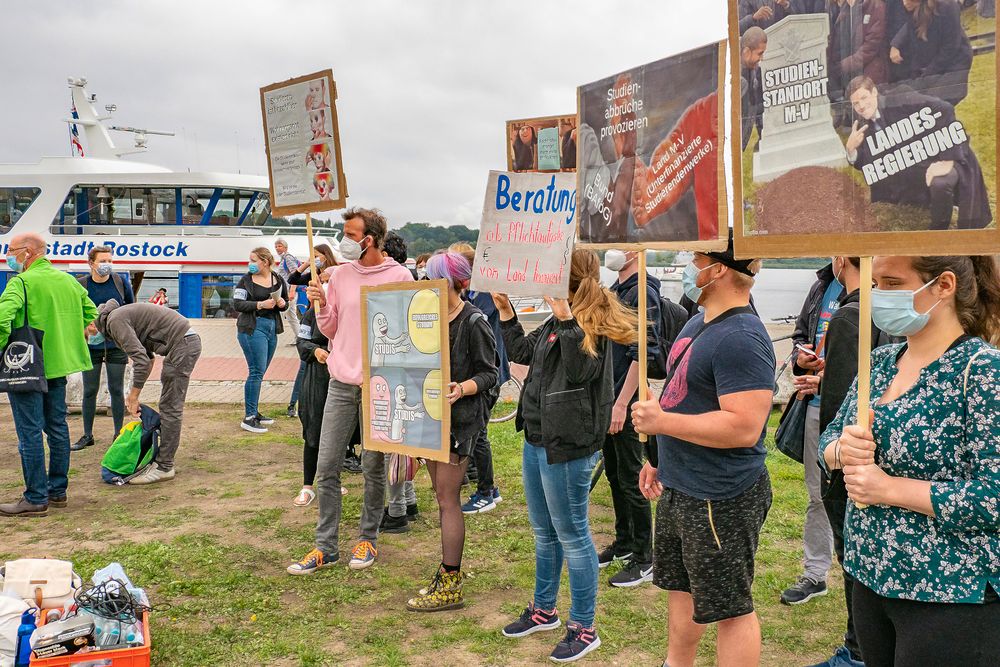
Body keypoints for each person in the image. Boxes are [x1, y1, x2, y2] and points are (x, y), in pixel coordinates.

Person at [819, 255, 1000, 666]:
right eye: (875, 284)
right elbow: (829, 438)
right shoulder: (880, 364)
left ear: (944, 285)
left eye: (891, 283)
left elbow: (994, 496)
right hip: (870, 576)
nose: (878, 296)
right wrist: (842, 450)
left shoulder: (983, 371)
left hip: (948, 592)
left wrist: (889, 488)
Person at [630, 234, 775, 667]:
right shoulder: (699, 321)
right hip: (681, 485)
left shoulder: (742, 337)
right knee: (681, 587)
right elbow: (683, 398)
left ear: (720, 269)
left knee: (730, 606)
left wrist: (661, 424)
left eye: (695, 259)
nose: (688, 265)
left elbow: (744, 426)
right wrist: (658, 458)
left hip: (721, 495)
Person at [497, 249, 638, 663]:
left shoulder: (593, 320)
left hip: (569, 445)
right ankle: (544, 610)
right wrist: (506, 314)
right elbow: (523, 353)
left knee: (573, 534)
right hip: (538, 437)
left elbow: (581, 371)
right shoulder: (558, 320)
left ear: (564, 279)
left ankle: (584, 627)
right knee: (544, 532)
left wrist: (564, 318)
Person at [287, 207, 413, 575]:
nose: (344, 239)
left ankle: (367, 539)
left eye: (350, 233)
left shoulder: (399, 276)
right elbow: (330, 328)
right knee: (327, 465)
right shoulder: (340, 275)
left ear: (369, 239)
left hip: (380, 387)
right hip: (341, 383)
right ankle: (325, 546)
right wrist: (321, 303)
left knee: (374, 468)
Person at [801, 257, 891, 667]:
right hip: (871, 454)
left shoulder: (850, 315)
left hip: (849, 461)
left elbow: (842, 401)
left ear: (841, 260)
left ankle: (857, 652)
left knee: (853, 559)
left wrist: (832, 465)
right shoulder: (879, 310)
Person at [405, 252, 498, 612]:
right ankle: (447, 576)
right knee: (442, 498)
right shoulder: (424, 315)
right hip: (429, 418)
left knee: (447, 500)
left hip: (459, 423)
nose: (427, 283)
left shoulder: (474, 321)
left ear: (454, 282)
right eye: (426, 276)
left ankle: (450, 581)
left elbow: (491, 374)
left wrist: (461, 388)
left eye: (434, 277)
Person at [0, 233, 97, 517]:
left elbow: (2, 319)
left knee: (29, 432)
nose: (8, 256)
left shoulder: (20, 283)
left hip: (27, 368)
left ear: (27, 253)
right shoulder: (68, 280)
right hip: (59, 367)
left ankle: (35, 497)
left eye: (11, 250)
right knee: (57, 427)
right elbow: (91, 314)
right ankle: (57, 492)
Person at [845, 75, 993, 230]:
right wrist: (851, 149)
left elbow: (944, 108)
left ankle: (939, 228)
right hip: (918, 167)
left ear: (874, 92)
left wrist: (947, 161)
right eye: (855, 103)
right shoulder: (862, 122)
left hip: (946, 156)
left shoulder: (899, 97)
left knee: (940, 182)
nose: (861, 106)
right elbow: (867, 162)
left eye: (864, 97)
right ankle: (932, 201)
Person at [597, 249, 663, 588]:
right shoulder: (617, 289)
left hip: (626, 401)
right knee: (614, 473)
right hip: (611, 399)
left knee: (631, 477)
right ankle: (624, 542)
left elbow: (643, 353)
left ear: (636, 251)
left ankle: (644, 555)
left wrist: (622, 403)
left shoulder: (643, 292)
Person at [779, 262, 843, 606]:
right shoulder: (822, 284)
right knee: (818, 494)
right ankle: (816, 573)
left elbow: (883, 353)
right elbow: (801, 335)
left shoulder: (877, 285)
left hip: (858, 410)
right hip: (816, 406)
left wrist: (830, 375)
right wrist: (802, 358)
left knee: (859, 496)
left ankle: (857, 572)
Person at [91, 300, 201, 484]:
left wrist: (133, 396)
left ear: (93, 323)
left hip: (182, 345)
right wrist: (137, 393)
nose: (90, 337)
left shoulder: (115, 321)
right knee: (168, 405)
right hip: (185, 342)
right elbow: (148, 359)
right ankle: (163, 461)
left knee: (170, 407)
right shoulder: (119, 317)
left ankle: (164, 466)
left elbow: (141, 361)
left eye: (88, 332)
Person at [447, 243, 508, 516]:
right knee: (477, 433)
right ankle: (480, 482)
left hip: (487, 373)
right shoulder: (475, 293)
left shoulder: (483, 298)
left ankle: (487, 490)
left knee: (479, 432)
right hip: (477, 373)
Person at [631, 91, 721, 240]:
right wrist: (649, 191)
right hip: (714, 254)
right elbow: (674, 161)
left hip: (748, 250)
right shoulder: (701, 113)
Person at [72, 245, 136, 452]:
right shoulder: (80, 285)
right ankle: (87, 435)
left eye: (109, 260)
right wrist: (84, 329)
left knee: (116, 390)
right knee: (89, 390)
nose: (106, 265)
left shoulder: (120, 282)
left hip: (116, 345)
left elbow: (130, 310)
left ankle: (118, 434)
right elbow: (73, 313)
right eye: (102, 261)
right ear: (91, 263)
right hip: (90, 346)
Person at [234, 247, 289, 434]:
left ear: (265, 262)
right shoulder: (245, 281)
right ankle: (249, 418)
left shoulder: (278, 279)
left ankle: (254, 412)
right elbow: (237, 304)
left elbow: (286, 302)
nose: (249, 263)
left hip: (271, 327)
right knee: (256, 371)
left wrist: (282, 304)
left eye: (253, 260)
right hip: (252, 327)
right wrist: (260, 304)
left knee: (261, 371)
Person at [293, 266, 335, 507]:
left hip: (341, 378)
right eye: (323, 280)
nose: (325, 285)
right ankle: (308, 485)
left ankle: (332, 479)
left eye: (330, 281)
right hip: (317, 377)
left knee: (338, 436)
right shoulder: (311, 313)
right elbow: (302, 342)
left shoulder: (348, 312)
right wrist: (316, 351)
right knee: (313, 431)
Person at [889, 0, 973, 106]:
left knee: (936, 105)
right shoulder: (917, 6)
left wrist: (927, 75)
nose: (904, 3)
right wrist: (896, 44)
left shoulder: (947, 6)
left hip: (954, 63)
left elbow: (950, 47)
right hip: (932, 61)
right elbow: (910, 25)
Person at [828, 0, 889, 127]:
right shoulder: (844, 8)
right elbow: (836, 42)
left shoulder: (875, 5)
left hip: (868, 68)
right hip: (846, 70)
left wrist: (842, 66)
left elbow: (871, 46)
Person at [740, 26, 768, 151]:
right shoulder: (738, 81)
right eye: (760, 53)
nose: (762, 58)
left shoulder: (751, 69)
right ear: (746, 53)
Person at [274, 238, 302, 343]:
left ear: (285, 247)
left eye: (280, 246)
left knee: (279, 314)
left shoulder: (288, 258)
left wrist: (292, 291)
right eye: (276, 246)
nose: (277, 248)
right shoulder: (283, 259)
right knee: (291, 317)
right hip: (286, 292)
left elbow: (296, 274)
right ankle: (300, 338)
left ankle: (271, 337)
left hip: (288, 293)